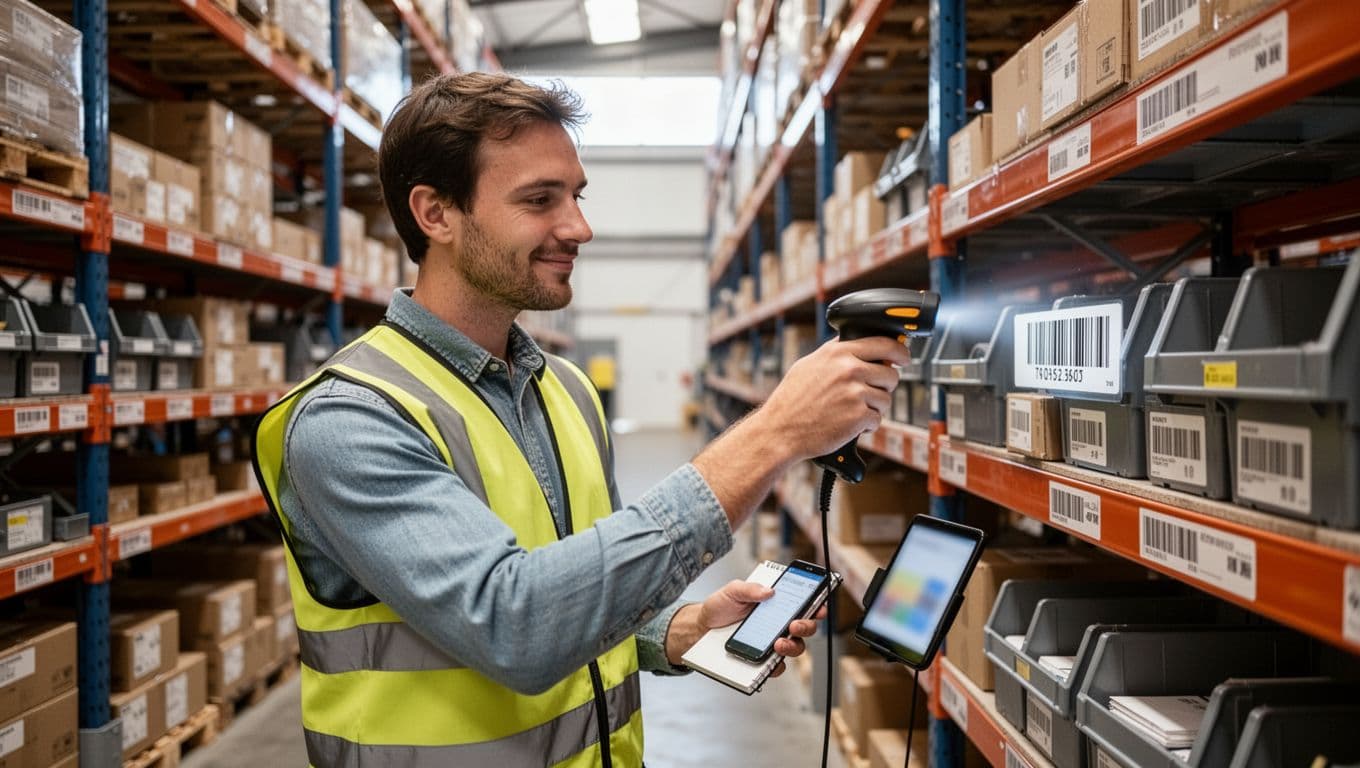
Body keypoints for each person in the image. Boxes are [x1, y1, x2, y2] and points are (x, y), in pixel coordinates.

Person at [253, 72, 909, 768]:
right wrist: (775, 433)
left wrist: (678, 629)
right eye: (540, 200)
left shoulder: (564, 389)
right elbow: (515, 625)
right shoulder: (349, 418)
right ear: (436, 214)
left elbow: (579, 584)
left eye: (576, 196)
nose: (579, 228)